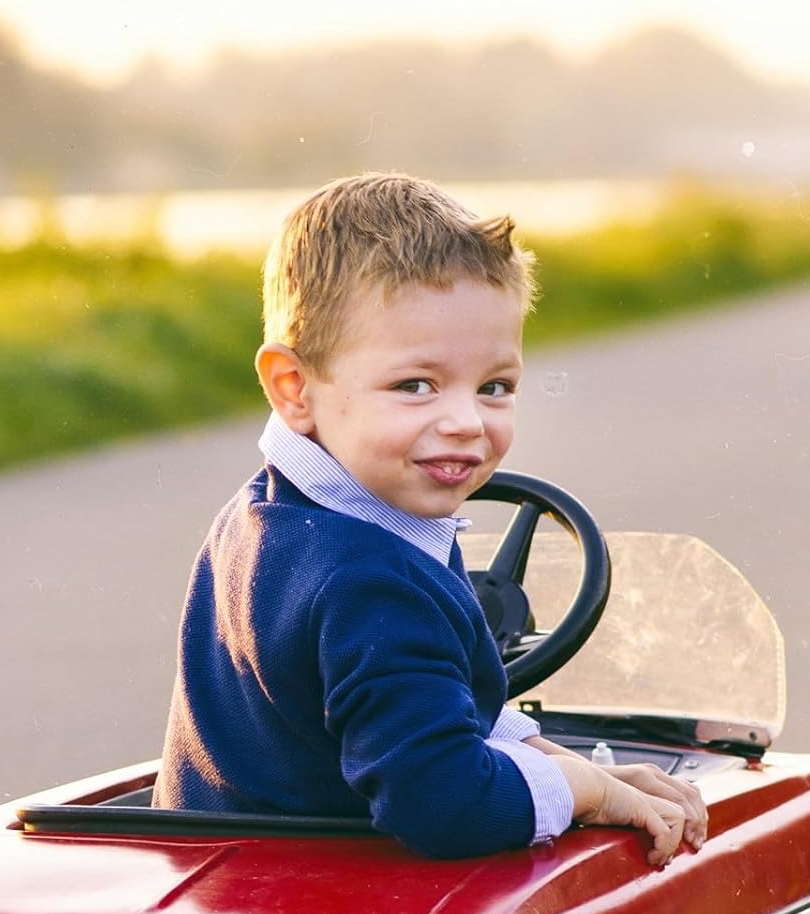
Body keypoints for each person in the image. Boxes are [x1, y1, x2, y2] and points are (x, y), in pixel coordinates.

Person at [154, 172, 706, 862]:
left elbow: (442, 709)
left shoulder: (272, 515)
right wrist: (588, 793)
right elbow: (444, 803)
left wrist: (575, 766)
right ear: (294, 389)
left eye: (495, 386)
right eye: (416, 385)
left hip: (215, 874)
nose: (466, 421)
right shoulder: (371, 582)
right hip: (319, 898)